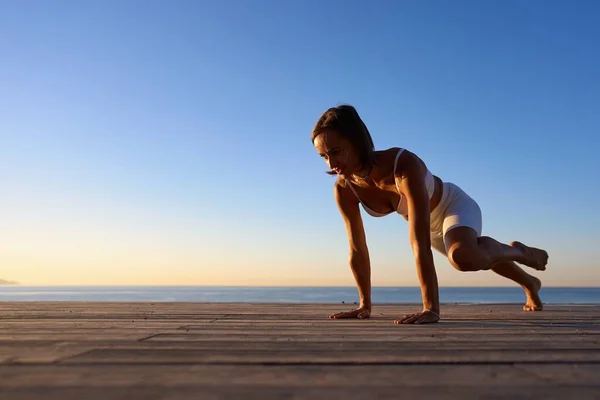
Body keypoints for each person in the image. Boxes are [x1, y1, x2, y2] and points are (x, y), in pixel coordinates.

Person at [311, 104, 549, 324]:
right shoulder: (345, 189)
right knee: (474, 256)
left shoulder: (402, 164)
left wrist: (431, 309)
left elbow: (419, 241)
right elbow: (357, 249)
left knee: (463, 256)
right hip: (432, 227)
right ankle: (531, 284)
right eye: (324, 156)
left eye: (336, 151)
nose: (331, 163)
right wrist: (364, 305)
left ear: (356, 141)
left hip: (452, 206)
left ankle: (519, 251)